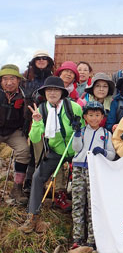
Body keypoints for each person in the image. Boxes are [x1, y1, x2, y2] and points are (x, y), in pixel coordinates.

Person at [19, 76, 83, 234]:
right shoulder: (41, 109)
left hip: (76, 150)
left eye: (56, 90)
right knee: (37, 177)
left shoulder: (74, 107)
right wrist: (37, 123)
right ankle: (32, 215)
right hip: (56, 151)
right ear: (45, 93)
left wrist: (78, 127)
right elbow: (34, 138)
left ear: (62, 92)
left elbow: (84, 127)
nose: (52, 93)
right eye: (49, 90)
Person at [71, 101, 115, 250]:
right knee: (78, 203)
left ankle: (91, 238)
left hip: (96, 172)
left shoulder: (106, 134)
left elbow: (112, 154)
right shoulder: (81, 131)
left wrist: (103, 152)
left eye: (97, 115)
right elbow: (76, 149)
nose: (94, 118)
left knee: (92, 205)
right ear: (85, 116)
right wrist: (76, 133)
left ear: (102, 116)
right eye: (91, 115)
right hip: (78, 170)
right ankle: (77, 237)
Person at [22, 50, 55, 193]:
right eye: (38, 59)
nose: (41, 60)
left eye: (44, 58)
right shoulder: (26, 77)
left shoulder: (52, 77)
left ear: (48, 61)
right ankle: (29, 183)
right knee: (33, 150)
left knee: (47, 151)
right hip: (30, 118)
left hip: (49, 116)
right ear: (33, 62)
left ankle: (43, 183)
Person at [0, 64, 30, 204]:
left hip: (14, 131)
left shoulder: (24, 96)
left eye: (12, 78)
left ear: (18, 80)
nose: (9, 82)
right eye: (5, 79)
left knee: (24, 150)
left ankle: (17, 187)